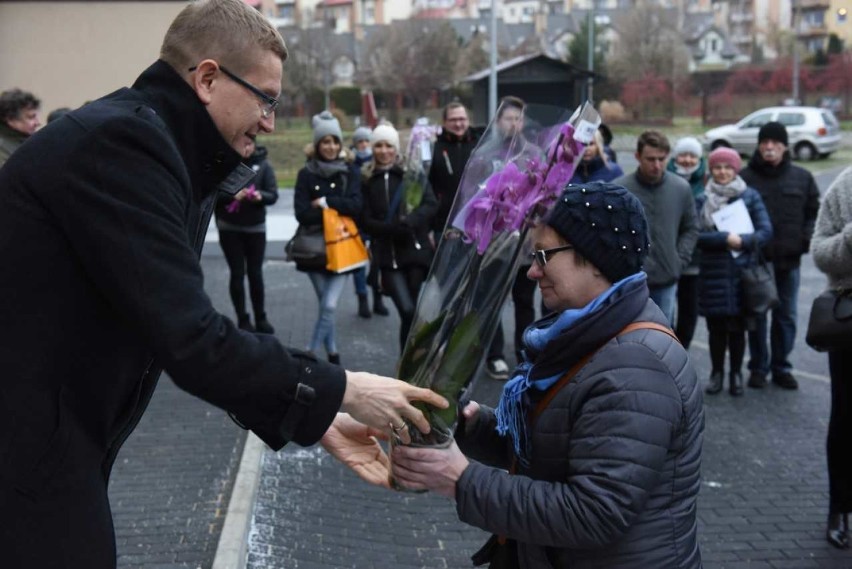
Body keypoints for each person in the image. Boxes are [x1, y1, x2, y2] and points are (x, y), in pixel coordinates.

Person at [0, 1, 447, 566]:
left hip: (50, 443)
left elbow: (182, 328)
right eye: (266, 99)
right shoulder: (123, 146)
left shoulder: (165, 149)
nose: (269, 121)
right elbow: (190, 338)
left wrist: (318, 418)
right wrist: (346, 389)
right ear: (208, 78)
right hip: (27, 448)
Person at [391, 181, 704, 568]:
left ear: (594, 257)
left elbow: (594, 513)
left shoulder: (636, 366)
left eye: (543, 255)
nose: (532, 271)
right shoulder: (584, 333)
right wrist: (469, 424)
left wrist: (461, 479)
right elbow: (555, 449)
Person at [740, 121, 820, 390]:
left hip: (790, 261)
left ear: (785, 146)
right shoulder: (745, 178)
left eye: (775, 142)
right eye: (764, 142)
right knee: (758, 317)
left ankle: (781, 366)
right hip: (757, 262)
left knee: (786, 317)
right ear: (759, 145)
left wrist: (805, 240)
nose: (769, 147)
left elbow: (813, 213)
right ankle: (758, 368)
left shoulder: (802, 177)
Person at [472, 96, 544, 378]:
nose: (514, 124)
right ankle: (495, 354)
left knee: (525, 300)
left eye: (518, 118)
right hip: (494, 242)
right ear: (498, 121)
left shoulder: (534, 153)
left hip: (524, 242)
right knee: (492, 299)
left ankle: (525, 353)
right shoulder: (486, 154)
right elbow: (475, 195)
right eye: (508, 118)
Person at [695, 147, 772, 396]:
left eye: (728, 167)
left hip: (742, 275)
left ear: (736, 169)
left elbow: (765, 231)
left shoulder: (749, 196)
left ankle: (736, 374)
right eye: (718, 167)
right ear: (711, 170)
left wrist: (744, 241)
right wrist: (723, 238)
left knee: (739, 329)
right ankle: (716, 373)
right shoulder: (701, 199)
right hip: (713, 273)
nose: (723, 172)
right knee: (716, 329)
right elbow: (695, 234)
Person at [360, 122, 437, 350]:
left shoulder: (411, 173)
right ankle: (411, 361)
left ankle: (408, 365)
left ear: (396, 148)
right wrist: (392, 228)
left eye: (389, 146)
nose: (384, 151)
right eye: (379, 146)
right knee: (407, 310)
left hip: (414, 253)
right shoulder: (365, 178)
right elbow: (364, 218)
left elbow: (430, 203)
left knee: (411, 315)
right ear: (373, 148)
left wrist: (411, 221)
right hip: (387, 257)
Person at [293, 110, 362, 365]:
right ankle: (332, 352)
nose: (331, 146)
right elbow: (301, 214)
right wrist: (335, 211)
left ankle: (309, 352)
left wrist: (323, 202)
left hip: (342, 248)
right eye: (325, 141)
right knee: (325, 305)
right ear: (317, 144)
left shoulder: (350, 171)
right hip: (314, 251)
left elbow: (355, 206)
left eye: (334, 141)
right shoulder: (306, 173)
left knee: (330, 306)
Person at [810, 165, 852, 549]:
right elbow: (820, 252)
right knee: (845, 419)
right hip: (849, 324)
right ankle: (840, 506)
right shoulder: (844, 186)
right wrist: (850, 239)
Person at [616, 131, 698, 326]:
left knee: (662, 338)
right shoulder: (620, 189)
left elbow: (691, 227)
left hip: (666, 278)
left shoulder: (680, 188)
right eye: (650, 159)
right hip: (630, 282)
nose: (657, 165)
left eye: (661, 159)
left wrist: (679, 260)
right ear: (637, 157)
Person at [214, 139, 278, 333]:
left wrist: (260, 197)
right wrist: (232, 195)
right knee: (237, 273)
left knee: (255, 273)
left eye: (250, 144)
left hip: (255, 227)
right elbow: (213, 196)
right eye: (243, 143)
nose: (246, 148)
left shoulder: (264, 166)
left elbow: (273, 195)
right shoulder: (224, 165)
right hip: (229, 227)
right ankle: (243, 318)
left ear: (254, 145)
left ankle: (261, 317)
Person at [668, 136, 707, 349]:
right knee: (665, 310)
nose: (687, 160)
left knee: (689, 310)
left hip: (694, 260)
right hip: (667, 258)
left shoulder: (706, 185)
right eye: (683, 155)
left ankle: (683, 350)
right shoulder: (664, 179)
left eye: (693, 156)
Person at [429, 101, 479, 237]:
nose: (458, 124)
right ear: (444, 122)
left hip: (476, 222)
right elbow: (429, 187)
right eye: (453, 120)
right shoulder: (434, 148)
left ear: (468, 120)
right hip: (444, 224)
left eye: (462, 119)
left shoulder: (480, 145)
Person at [349, 125, 384, 318]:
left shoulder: (377, 163)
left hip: (375, 220)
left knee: (377, 263)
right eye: (360, 142)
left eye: (366, 141)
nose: (363, 145)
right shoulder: (351, 165)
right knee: (359, 266)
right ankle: (362, 299)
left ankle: (378, 298)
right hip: (357, 221)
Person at [0, 87, 41, 167]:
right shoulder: (4, 151)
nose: (38, 123)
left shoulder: (26, 140)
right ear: (11, 120)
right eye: (31, 117)